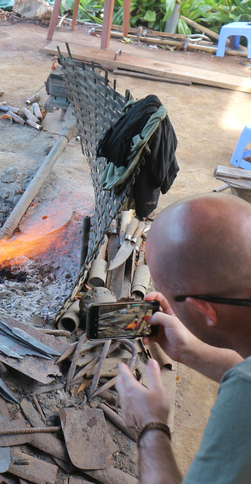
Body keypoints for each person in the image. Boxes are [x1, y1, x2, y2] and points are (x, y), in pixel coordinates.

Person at [115, 193, 251, 484]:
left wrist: (150, 425)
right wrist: (191, 352)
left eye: (168, 294)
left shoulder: (244, 398)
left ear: (203, 310)